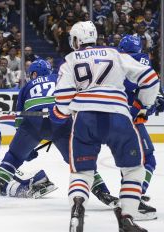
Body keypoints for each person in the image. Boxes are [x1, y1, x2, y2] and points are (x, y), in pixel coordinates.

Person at [51, 21, 158, 232]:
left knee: (82, 172)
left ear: (75, 40)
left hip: (85, 119)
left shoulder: (69, 61)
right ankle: (127, 217)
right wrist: (142, 104)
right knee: (134, 170)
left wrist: (61, 112)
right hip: (118, 116)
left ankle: (77, 209)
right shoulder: (114, 53)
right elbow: (150, 78)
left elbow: (62, 98)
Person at [0, 59, 118, 208]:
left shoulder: (27, 86)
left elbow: (19, 118)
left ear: (34, 73)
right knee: (79, 161)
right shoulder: (60, 78)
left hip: (33, 123)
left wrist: (23, 148)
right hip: (60, 122)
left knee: (14, 156)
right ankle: (102, 192)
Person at [118, 35, 164, 220]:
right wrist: (155, 102)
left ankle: (129, 192)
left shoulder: (113, 63)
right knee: (148, 160)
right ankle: (134, 199)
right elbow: (153, 96)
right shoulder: (141, 62)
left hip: (109, 120)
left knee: (128, 163)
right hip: (131, 122)